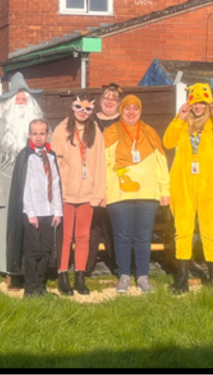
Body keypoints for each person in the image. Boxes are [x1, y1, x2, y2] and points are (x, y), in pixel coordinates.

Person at [164, 83, 213, 293]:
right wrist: (179, 118)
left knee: (210, 231)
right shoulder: (182, 124)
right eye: (195, 103)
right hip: (182, 184)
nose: (198, 107)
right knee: (182, 231)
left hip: (210, 186)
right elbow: (168, 142)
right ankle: (182, 280)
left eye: (202, 103)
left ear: (208, 103)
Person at [104, 95, 170, 294]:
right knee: (122, 237)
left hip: (148, 194)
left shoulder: (150, 133)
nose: (131, 112)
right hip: (118, 194)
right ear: (121, 111)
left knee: (143, 237)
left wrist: (164, 190)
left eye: (135, 108)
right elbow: (103, 165)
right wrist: (103, 191)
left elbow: (161, 164)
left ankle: (142, 276)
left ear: (140, 111)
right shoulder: (110, 133)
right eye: (127, 109)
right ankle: (124, 275)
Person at [0, 72, 44, 288]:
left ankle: (31, 267)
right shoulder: (1, 126)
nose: (21, 102)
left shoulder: (41, 128)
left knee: (32, 225)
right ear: (11, 102)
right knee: (7, 227)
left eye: (24, 99)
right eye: (17, 99)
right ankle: (10, 270)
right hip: (7, 182)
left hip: (33, 183)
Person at [51, 95, 106, 296]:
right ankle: (63, 274)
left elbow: (101, 163)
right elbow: (53, 160)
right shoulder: (61, 130)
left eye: (88, 109)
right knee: (65, 236)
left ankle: (80, 277)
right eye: (78, 107)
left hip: (87, 193)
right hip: (66, 193)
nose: (82, 112)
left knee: (83, 236)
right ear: (72, 108)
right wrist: (60, 186)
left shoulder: (96, 132)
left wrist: (99, 192)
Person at [6, 119, 62, 297]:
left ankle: (40, 284)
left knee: (46, 249)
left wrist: (57, 211)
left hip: (48, 212)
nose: (38, 137)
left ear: (47, 135)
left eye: (42, 133)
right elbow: (24, 187)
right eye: (35, 134)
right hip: (32, 212)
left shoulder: (51, 156)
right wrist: (30, 213)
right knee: (33, 250)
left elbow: (56, 185)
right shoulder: (26, 157)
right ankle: (30, 288)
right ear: (29, 136)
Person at [88, 83, 122, 276]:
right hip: (93, 179)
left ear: (118, 103)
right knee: (93, 226)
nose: (109, 101)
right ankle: (87, 266)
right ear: (101, 101)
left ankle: (118, 265)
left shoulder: (121, 122)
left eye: (113, 99)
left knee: (114, 225)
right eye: (106, 98)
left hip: (115, 179)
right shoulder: (91, 120)